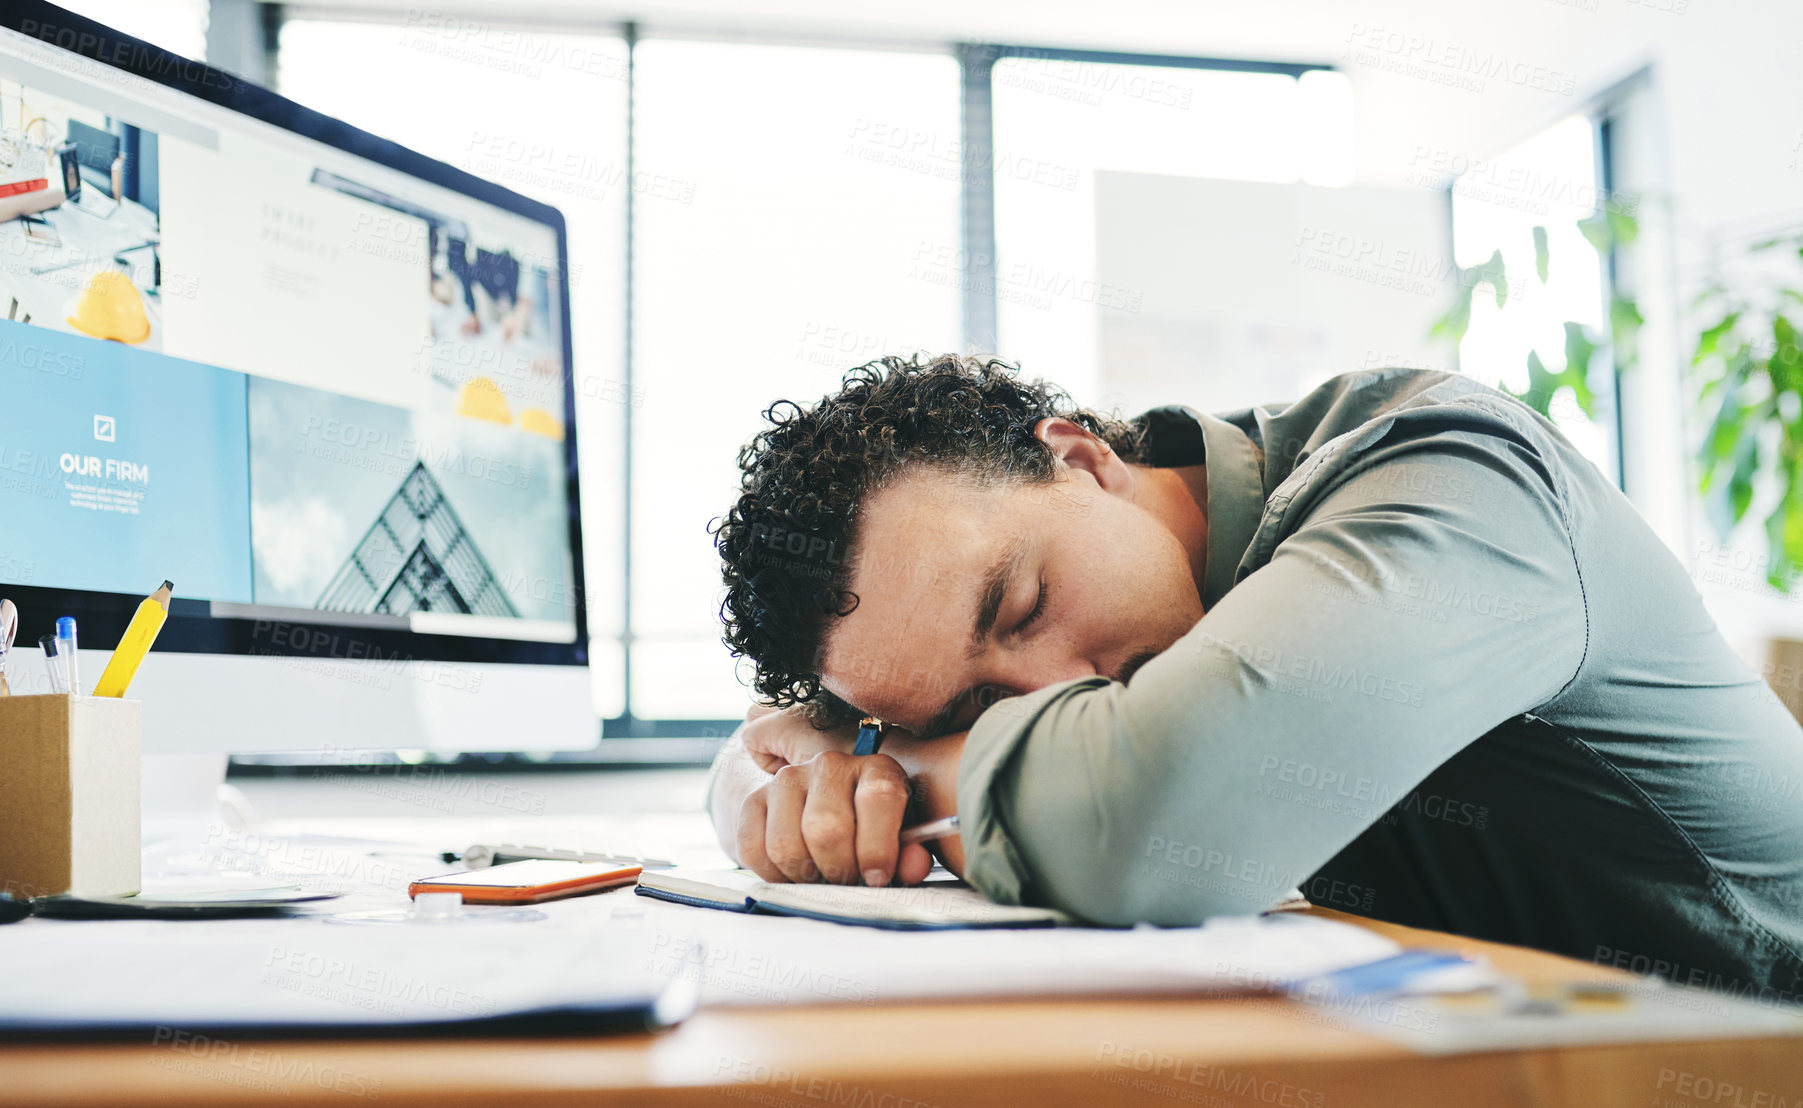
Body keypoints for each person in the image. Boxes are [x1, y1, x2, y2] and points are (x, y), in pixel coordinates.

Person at [704, 353, 1803, 997]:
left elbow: (1152, 809)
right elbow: (774, 751)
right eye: (973, 709)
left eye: (1021, 604)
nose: (1050, 698)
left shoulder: (1445, 470)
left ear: (1083, 459)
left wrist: (895, 767)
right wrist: (759, 781)